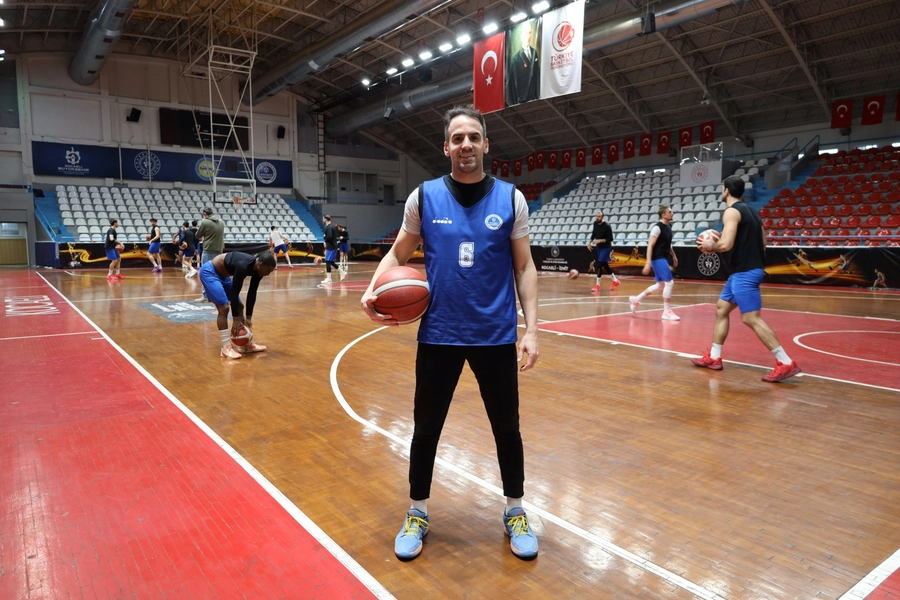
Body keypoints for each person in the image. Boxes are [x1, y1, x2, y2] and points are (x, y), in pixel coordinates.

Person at [361, 105, 540, 562]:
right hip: (439, 334)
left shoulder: (511, 199)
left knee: (507, 428)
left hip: (495, 335)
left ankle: (515, 510)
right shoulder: (423, 197)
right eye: (457, 138)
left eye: (473, 137)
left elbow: (524, 267)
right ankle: (417, 512)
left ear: (486, 145)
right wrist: (372, 288)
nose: (466, 145)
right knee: (426, 429)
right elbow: (397, 254)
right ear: (446, 147)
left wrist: (532, 329)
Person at [692, 176, 801, 382]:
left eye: (722, 189)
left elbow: (725, 244)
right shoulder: (753, 213)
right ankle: (714, 357)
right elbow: (764, 242)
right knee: (721, 309)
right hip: (743, 271)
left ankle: (786, 362)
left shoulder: (731, 212)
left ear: (726, 191)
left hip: (744, 272)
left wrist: (710, 246)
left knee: (751, 318)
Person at [199, 251, 275, 359]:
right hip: (210, 272)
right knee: (224, 308)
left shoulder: (259, 271)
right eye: (268, 270)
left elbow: (252, 292)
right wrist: (235, 318)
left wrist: (249, 318)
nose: (269, 274)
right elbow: (235, 293)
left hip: (225, 276)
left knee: (239, 306)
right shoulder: (243, 266)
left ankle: (245, 345)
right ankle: (225, 348)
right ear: (260, 264)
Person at [630, 205, 679, 320]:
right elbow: (650, 246)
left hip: (663, 258)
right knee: (669, 283)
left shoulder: (668, 226)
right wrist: (648, 263)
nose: (672, 213)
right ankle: (666, 312)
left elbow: (668, 244)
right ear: (664, 215)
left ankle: (636, 299)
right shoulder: (657, 228)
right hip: (657, 258)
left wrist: (674, 256)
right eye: (670, 212)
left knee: (660, 285)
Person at [196, 207, 226, 302]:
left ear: (205, 214)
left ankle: (205, 296)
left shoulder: (205, 222)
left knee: (205, 273)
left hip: (208, 250)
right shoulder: (221, 222)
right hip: (219, 250)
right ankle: (221, 294)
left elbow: (198, 235)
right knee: (219, 273)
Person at [506, 23, 540, 106]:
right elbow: (513, 83)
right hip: (522, 100)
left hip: (535, 97)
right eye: (525, 33)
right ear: (521, 36)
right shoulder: (515, 59)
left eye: (529, 33)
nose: (528, 36)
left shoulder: (534, 52)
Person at [587, 210, 620, 293]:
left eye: (599, 216)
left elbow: (610, 239)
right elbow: (594, 233)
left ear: (602, 217)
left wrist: (599, 240)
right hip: (599, 248)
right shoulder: (595, 223)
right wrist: (589, 242)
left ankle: (597, 285)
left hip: (606, 248)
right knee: (604, 265)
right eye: (596, 216)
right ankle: (615, 281)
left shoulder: (607, 226)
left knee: (599, 264)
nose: (597, 218)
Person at [321, 215, 346, 284]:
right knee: (331, 262)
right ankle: (342, 272)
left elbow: (329, 236)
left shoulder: (329, 227)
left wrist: (325, 238)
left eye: (323, 218)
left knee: (327, 261)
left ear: (326, 219)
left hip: (331, 247)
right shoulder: (332, 227)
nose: (323, 220)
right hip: (333, 246)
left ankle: (329, 278)